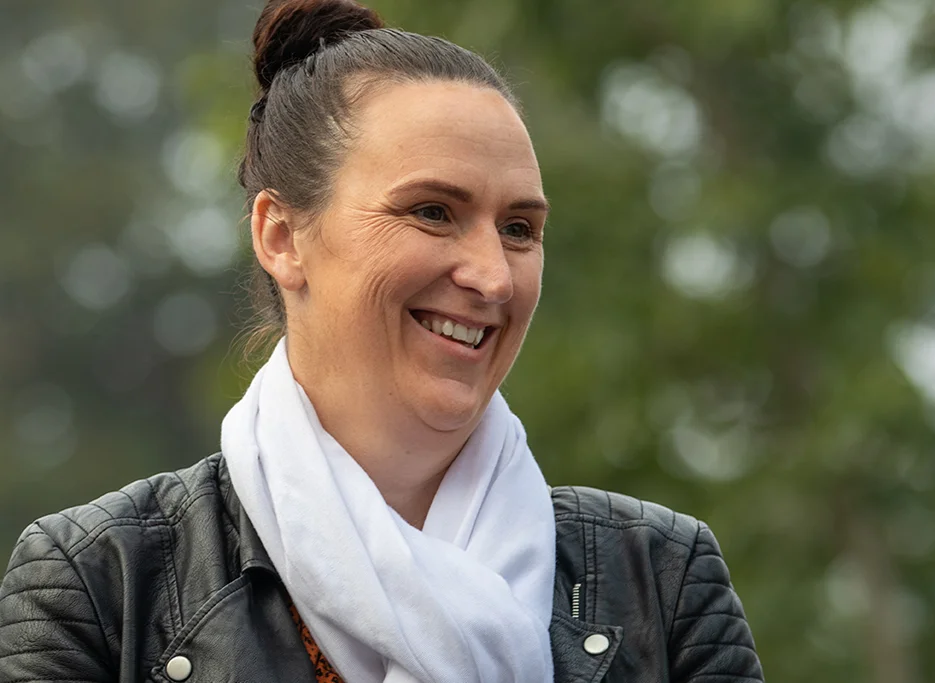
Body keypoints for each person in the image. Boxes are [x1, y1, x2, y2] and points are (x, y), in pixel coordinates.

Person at [0, 1, 764, 681]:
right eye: (432, 211)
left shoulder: (659, 577)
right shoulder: (101, 582)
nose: (493, 277)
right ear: (281, 236)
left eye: (518, 228)